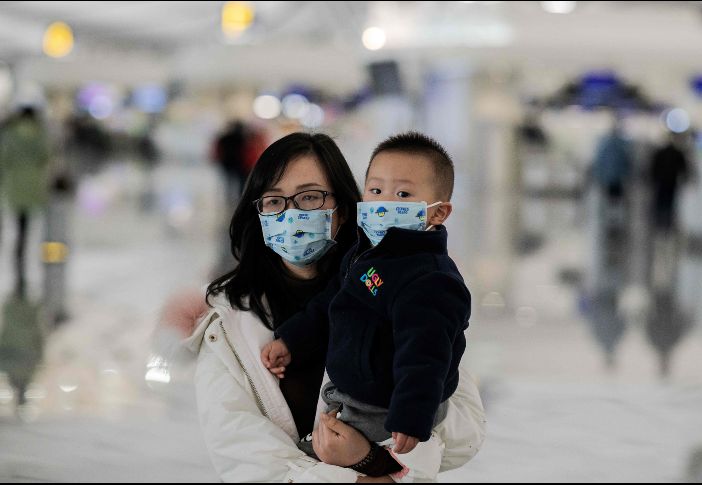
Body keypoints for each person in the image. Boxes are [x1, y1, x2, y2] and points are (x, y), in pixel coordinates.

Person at [158, 132, 485, 483]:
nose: (291, 213)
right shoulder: (226, 324)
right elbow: (250, 463)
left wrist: (376, 456)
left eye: (310, 197)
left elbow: (462, 430)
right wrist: (368, 473)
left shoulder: (409, 287)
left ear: (342, 210)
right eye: (273, 202)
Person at [261, 132, 468, 481]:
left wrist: (411, 415)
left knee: (328, 458)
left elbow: (427, 354)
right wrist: (291, 339)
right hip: (357, 392)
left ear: (439, 212)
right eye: (375, 191)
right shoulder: (365, 253)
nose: (384, 202)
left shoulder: (430, 278)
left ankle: (374, 467)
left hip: (385, 405)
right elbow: (331, 304)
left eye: (402, 194)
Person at [0, 106, 51, 294]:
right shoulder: (40, 134)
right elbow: (46, 157)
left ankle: (18, 260)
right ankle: (31, 260)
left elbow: (3, 159)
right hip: (34, 186)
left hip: (14, 186)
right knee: (28, 227)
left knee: (17, 225)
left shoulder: (9, 134)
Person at [649, 132, 692, 233]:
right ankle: (666, 225)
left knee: (661, 203)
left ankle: (660, 225)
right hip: (671, 182)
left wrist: (653, 179)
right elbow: (684, 169)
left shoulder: (661, 152)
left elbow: (654, 167)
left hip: (662, 182)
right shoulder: (677, 152)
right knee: (668, 204)